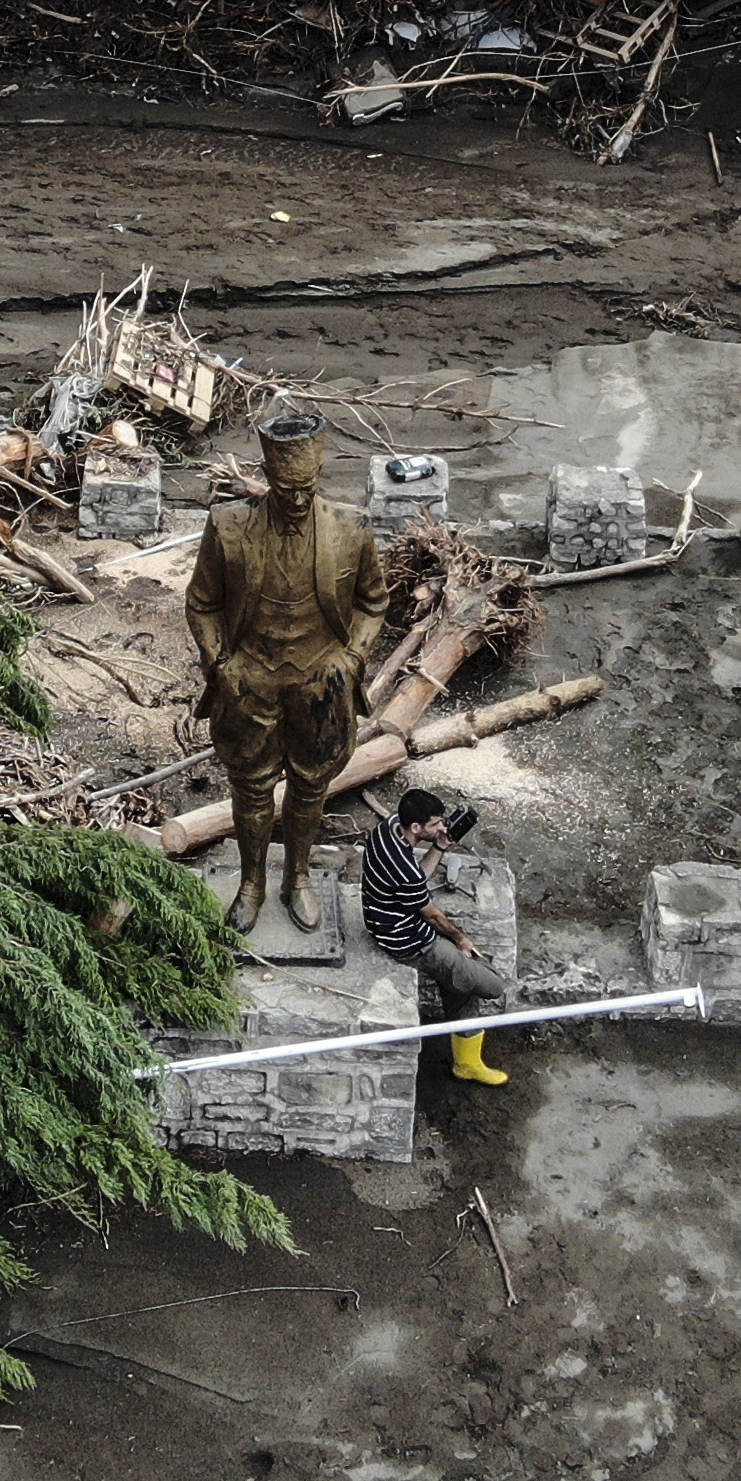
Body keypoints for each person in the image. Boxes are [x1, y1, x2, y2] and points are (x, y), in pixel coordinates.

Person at [184, 412, 388, 933]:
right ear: (268, 477)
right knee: (250, 789)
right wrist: (220, 664)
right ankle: (252, 882)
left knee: (310, 786)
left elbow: (373, 602)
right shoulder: (228, 525)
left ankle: (297, 876)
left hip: (322, 683)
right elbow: (202, 603)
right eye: (285, 488)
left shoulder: (352, 528)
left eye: (306, 488)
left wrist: (352, 659)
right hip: (249, 682)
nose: (296, 499)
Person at [361, 788, 515, 1086]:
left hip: (394, 923)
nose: (442, 828)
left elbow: (420, 878)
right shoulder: (401, 867)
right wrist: (461, 939)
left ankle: (466, 1064)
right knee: (491, 983)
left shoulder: (388, 828)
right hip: (409, 942)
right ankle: (466, 1062)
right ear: (416, 828)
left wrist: (441, 845)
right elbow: (431, 913)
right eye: (435, 825)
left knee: (461, 984)